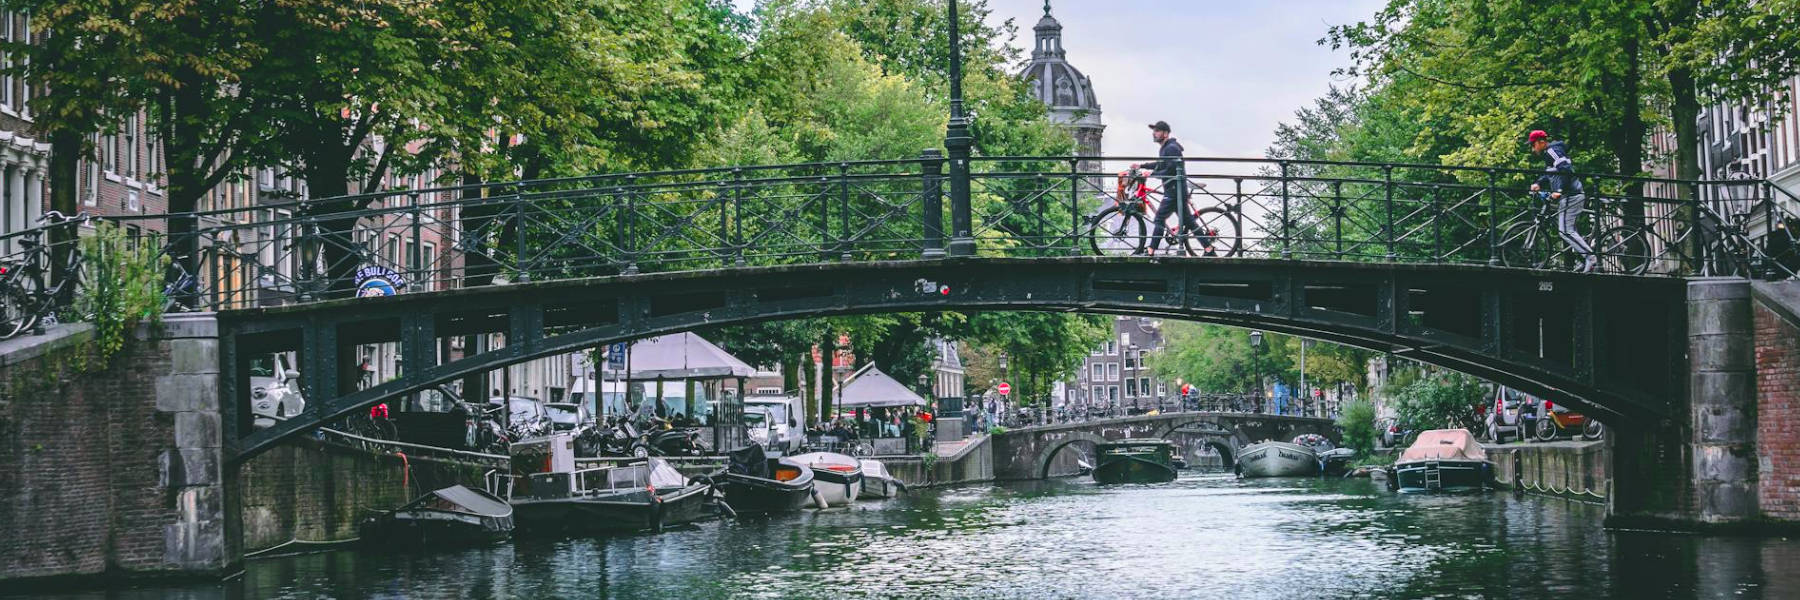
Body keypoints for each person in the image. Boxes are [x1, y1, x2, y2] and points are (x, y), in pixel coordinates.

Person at [1528, 130, 1597, 273]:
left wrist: (1559, 191)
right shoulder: (1549, 155)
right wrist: (1539, 183)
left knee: (1565, 231)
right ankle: (1583, 259)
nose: (1532, 149)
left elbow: (1566, 170)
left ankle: (1591, 259)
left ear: (1541, 142)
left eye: (1533, 145)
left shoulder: (1553, 151)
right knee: (1569, 229)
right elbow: (1550, 174)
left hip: (1571, 195)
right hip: (1570, 195)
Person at [1131, 121, 1200, 255]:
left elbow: (1171, 170)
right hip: (1175, 189)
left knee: (1159, 219)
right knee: (1189, 222)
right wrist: (1142, 166)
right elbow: (1161, 164)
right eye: (1154, 131)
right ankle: (1209, 249)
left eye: (1157, 131)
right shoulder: (1166, 148)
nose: (1154, 133)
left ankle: (1151, 251)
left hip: (1174, 190)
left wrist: (1152, 174)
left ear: (1166, 133)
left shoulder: (1171, 148)